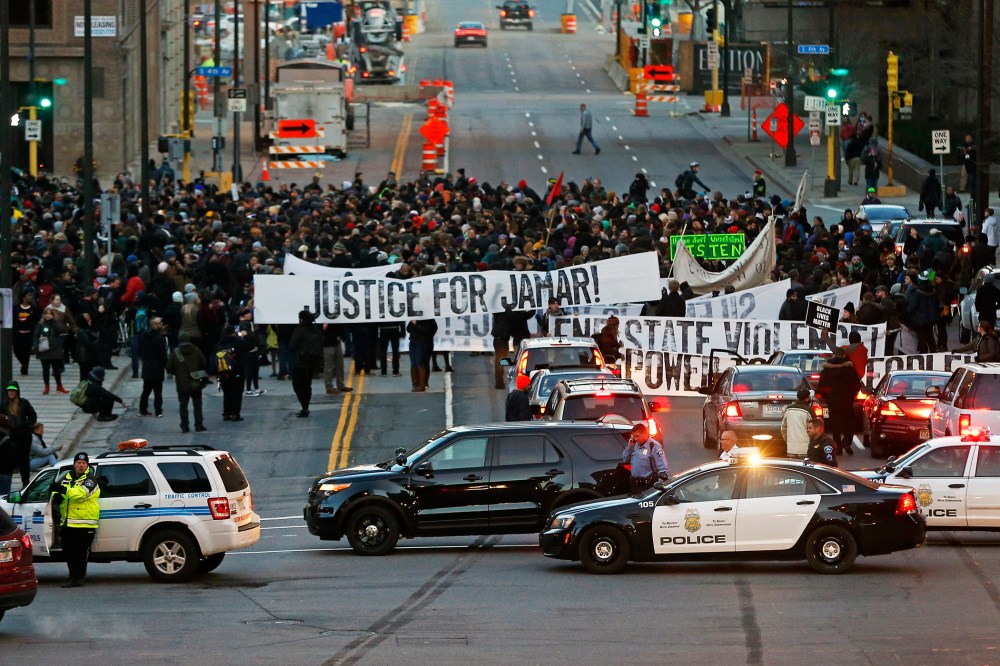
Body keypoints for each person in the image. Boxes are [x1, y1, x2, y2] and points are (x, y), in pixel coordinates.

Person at [50, 452, 100, 587]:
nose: (81, 465)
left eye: (84, 463)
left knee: (81, 553)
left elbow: (80, 494)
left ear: (87, 465)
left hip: (85, 522)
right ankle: (73, 577)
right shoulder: (66, 477)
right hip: (68, 522)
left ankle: (79, 578)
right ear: (74, 464)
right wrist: (56, 495)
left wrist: (61, 490)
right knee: (69, 552)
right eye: (79, 463)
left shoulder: (90, 479)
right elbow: (57, 491)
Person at [817, 349, 859, 456]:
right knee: (849, 423)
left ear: (834, 355)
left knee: (836, 425)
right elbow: (856, 386)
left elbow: (821, 387)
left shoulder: (826, 371)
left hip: (833, 401)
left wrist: (827, 397)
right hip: (847, 400)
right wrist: (851, 395)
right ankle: (847, 441)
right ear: (844, 355)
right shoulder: (850, 370)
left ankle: (838, 446)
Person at [166, 331, 208, 433]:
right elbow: (204, 363)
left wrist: (177, 372)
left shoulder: (176, 352)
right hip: (196, 382)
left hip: (182, 383)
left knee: (183, 405)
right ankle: (199, 425)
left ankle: (185, 426)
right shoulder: (196, 350)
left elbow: (169, 368)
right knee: (197, 405)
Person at [0, 381, 37, 488]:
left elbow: (33, 416)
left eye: (13, 391)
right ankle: (7, 483)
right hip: (11, 437)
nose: (11, 393)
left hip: (24, 436)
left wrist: (27, 425)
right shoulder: (3, 404)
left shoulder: (24, 403)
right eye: (9, 391)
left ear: (17, 391)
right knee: (10, 459)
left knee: (24, 460)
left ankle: (25, 482)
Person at [289, 309, 323, 417]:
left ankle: (304, 406)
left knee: (298, 385)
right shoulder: (316, 330)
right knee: (307, 385)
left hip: (299, 361)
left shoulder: (299, 330)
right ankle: (306, 406)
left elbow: (292, 345)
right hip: (312, 362)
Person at [623, 423, 668, 493]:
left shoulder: (654, 447)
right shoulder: (634, 445)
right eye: (634, 436)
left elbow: (663, 469)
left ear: (644, 433)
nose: (635, 439)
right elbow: (625, 460)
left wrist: (659, 485)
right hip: (635, 486)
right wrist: (629, 447)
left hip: (648, 486)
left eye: (637, 436)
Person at [33, 306, 68, 395]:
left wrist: (53, 321)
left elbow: (61, 329)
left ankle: (59, 386)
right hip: (44, 349)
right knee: (45, 369)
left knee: (56, 369)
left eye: (49, 314)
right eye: (46, 314)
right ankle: (47, 386)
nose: (48, 316)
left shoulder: (56, 323)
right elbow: (36, 336)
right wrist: (36, 347)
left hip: (55, 349)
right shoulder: (40, 324)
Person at [138, 317, 168, 418]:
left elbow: (140, 350)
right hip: (157, 367)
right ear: (155, 325)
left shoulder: (143, 336)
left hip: (146, 366)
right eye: (160, 323)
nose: (162, 324)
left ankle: (142, 409)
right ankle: (158, 411)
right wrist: (166, 366)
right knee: (158, 391)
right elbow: (163, 354)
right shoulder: (160, 338)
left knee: (146, 390)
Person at [406, 318, 438, 392]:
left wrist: (416, 325)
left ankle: (422, 384)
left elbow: (426, 331)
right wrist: (413, 323)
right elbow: (408, 329)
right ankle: (415, 384)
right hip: (413, 341)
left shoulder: (428, 319)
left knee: (419, 362)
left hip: (422, 342)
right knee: (413, 362)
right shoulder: (414, 319)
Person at [781, 388, 813, 459]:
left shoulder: (788, 409)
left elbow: (783, 428)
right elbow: (813, 429)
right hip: (805, 450)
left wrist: (788, 441)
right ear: (807, 398)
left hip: (791, 449)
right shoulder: (809, 411)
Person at [322, 322, 354, 394]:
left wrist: (343, 335)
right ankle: (329, 386)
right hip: (327, 342)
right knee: (329, 366)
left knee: (339, 365)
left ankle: (340, 384)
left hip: (336, 341)